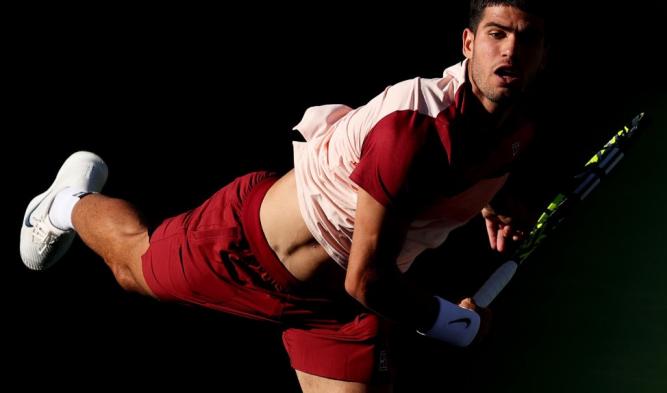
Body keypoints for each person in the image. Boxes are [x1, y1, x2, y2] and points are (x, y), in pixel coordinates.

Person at [20, 1, 548, 392]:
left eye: (525, 39)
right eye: (497, 34)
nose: (510, 51)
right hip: (249, 249)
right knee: (131, 267)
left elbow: (467, 169)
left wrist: (490, 201)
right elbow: (368, 277)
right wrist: (456, 324)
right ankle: (64, 203)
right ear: (467, 43)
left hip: (338, 309)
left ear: (541, 54)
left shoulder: (514, 130)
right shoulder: (412, 129)